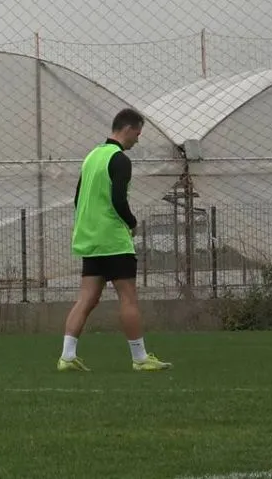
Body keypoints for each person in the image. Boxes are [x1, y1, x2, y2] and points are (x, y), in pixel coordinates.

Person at [58, 108, 172, 373]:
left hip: (90, 240)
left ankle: (67, 356)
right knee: (128, 298)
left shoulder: (91, 157)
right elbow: (118, 199)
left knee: (86, 298)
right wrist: (132, 223)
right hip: (113, 240)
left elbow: (78, 198)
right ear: (128, 129)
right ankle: (140, 358)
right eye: (138, 134)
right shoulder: (119, 159)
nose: (137, 140)